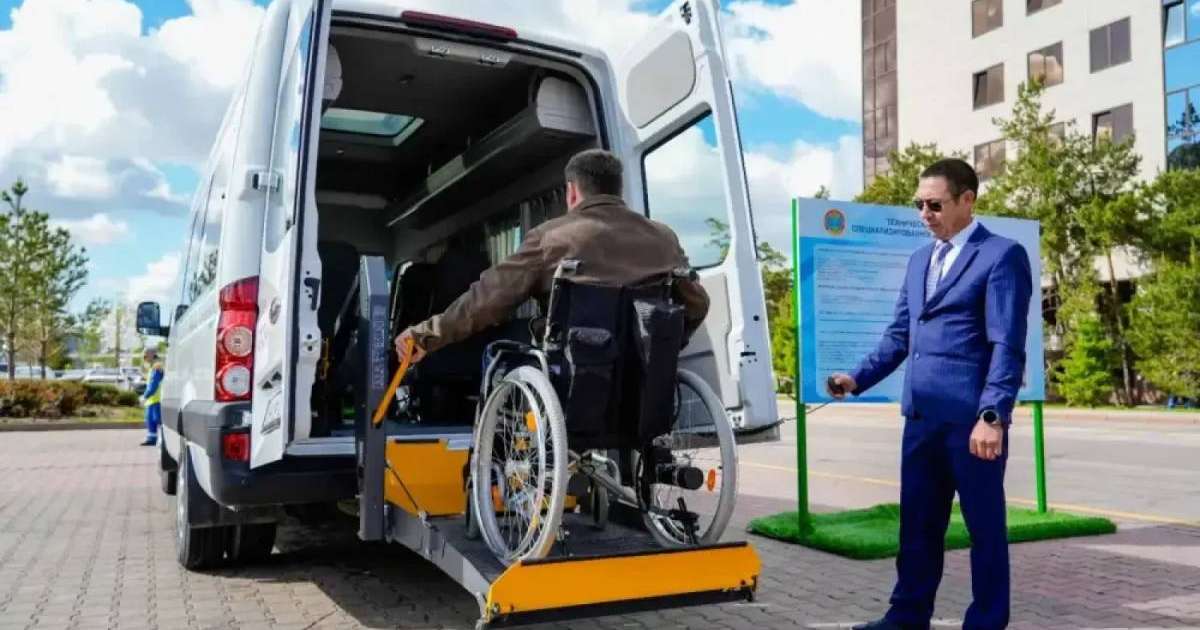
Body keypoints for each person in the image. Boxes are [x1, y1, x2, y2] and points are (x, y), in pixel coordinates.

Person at [828, 159, 1033, 630]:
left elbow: (1008, 343)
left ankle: (985, 622)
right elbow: (899, 334)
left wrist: (993, 414)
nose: (925, 213)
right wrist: (856, 378)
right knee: (918, 526)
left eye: (935, 204)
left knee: (984, 531)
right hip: (920, 419)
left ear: (967, 200)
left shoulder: (1001, 255)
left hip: (971, 423)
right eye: (919, 204)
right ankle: (907, 616)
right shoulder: (920, 259)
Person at [393, 148, 709, 365]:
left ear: (572, 191)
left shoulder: (551, 238)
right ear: (618, 190)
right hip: (644, 370)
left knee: (507, 347)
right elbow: (698, 303)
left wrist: (425, 335)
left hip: (578, 375)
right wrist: (663, 346)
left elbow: (486, 301)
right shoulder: (663, 237)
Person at [139, 348, 164, 447]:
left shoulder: (157, 367)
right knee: (151, 421)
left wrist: (145, 396)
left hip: (155, 400)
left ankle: (157, 440)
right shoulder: (154, 366)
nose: (144, 358)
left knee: (157, 420)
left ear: (151, 355)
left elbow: (153, 385)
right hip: (152, 400)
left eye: (145, 355)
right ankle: (152, 438)